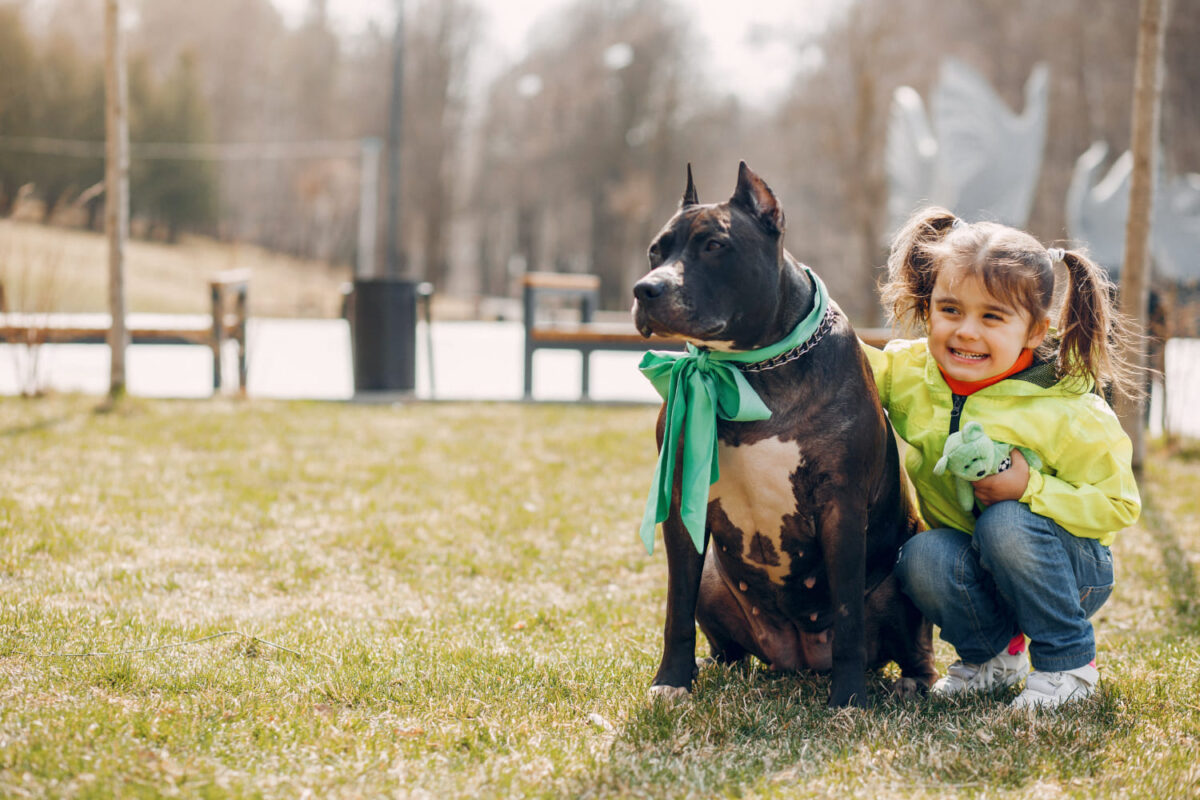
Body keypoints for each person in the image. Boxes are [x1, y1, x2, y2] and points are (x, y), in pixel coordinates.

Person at [863, 207, 1142, 710]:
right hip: (977, 571)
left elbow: (1118, 505)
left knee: (1005, 523)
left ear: (1035, 331)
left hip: (1069, 573)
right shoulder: (910, 374)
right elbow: (851, 366)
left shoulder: (1066, 409)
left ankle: (1069, 666)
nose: (967, 332)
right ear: (928, 308)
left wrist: (1030, 488)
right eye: (950, 310)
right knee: (921, 555)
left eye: (992, 317)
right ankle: (992, 658)